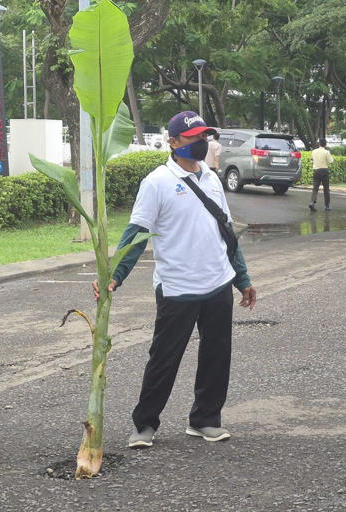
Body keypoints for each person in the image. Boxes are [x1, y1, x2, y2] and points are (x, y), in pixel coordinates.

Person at [94, 110, 256, 449]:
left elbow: (226, 232)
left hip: (217, 284)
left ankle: (205, 420)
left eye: (204, 137)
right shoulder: (157, 183)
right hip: (177, 288)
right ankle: (145, 425)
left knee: (216, 357)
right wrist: (114, 275)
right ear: (172, 142)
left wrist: (241, 278)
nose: (201, 142)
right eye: (193, 137)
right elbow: (136, 234)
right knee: (164, 359)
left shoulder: (211, 178)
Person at [309, 138, 334, 211]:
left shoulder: (314, 151)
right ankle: (327, 206)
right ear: (325, 144)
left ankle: (312, 202)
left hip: (316, 171)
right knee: (326, 190)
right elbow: (331, 161)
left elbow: (311, 160)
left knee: (315, 188)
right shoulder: (326, 152)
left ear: (319, 144)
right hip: (324, 171)